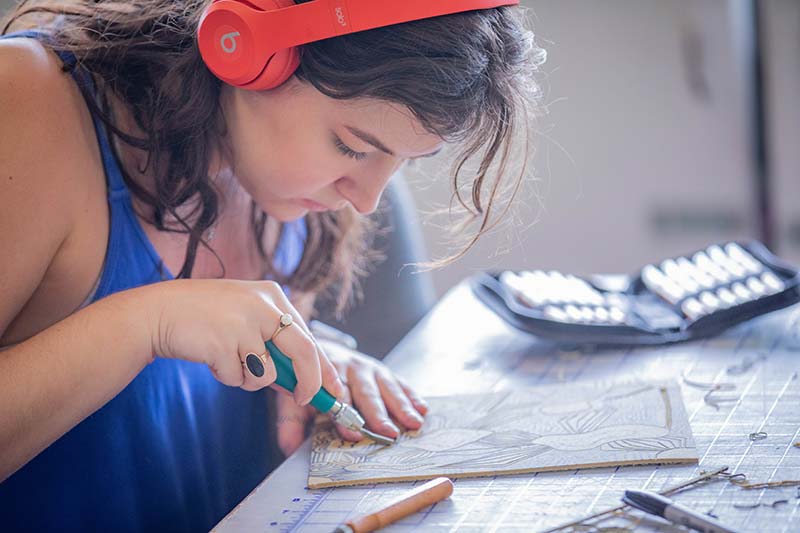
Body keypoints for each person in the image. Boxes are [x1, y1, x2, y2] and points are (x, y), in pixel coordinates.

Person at [0, 0, 544, 530]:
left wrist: (304, 360)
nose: (368, 200)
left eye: (403, 162)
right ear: (244, 50)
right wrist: (147, 323)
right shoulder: (27, 100)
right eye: (352, 147)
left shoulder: (288, 192)